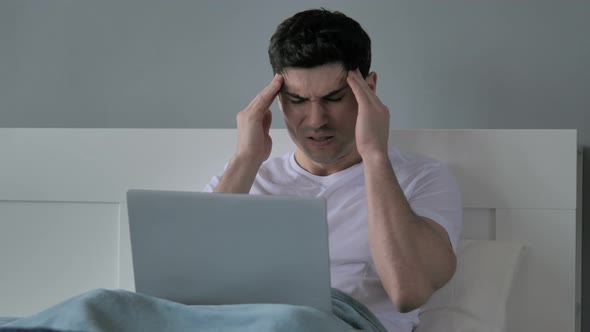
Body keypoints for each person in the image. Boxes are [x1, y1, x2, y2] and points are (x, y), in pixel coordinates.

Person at [204, 8, 462, 332]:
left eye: (334, 98)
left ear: (369, 89)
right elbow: (187, 295)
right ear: (277, 100)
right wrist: (245, 158)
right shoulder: (241, 178)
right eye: (297, 100)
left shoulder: (422, 179)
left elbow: (408, 290)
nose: (316, 120)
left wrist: (374, 154)